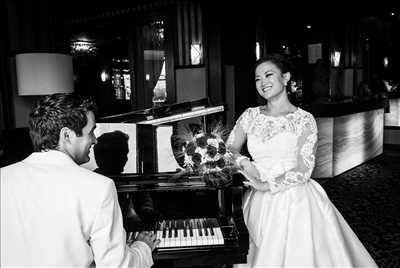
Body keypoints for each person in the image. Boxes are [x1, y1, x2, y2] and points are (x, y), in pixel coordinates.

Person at [227, 54, 377, 267]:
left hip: (294, 198)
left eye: (269, 75)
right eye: (257, 78)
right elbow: (230, 148)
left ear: (286, 77)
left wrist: (266, 185)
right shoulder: (250, 115)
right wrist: (244, 162)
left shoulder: (304, 119)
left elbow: (303, 168)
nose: (262, 83)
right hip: (256, 197)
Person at [0, 93, 159, 267]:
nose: (94, 140)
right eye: (90, 132)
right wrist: (142, 248)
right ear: (67, 135)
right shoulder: (99, 187)